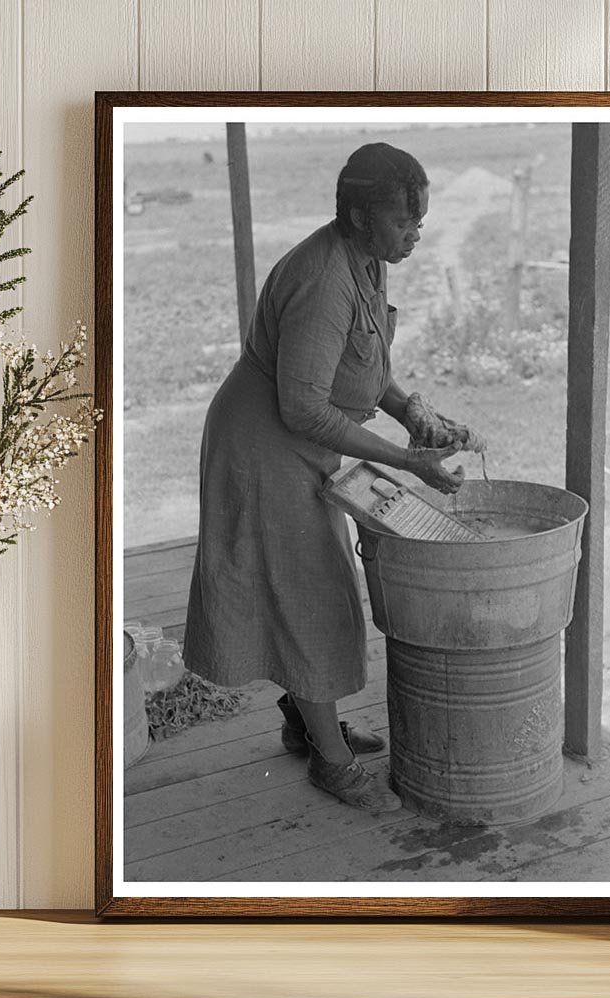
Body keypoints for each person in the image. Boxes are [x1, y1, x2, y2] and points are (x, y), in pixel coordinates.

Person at [183, 142, 483, 813]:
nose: (415, 234)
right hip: (262, 449)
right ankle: (330, 757)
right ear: (356, 216)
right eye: (403, 223)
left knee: (307, 590)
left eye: (420, 222)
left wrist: (411, 412)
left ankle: (305, 719)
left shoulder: (366, 261)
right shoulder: (323, 279)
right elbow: (304, 406)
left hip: (294, 444)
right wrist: (408, 462)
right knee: (307, 595)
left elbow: (363, 360)